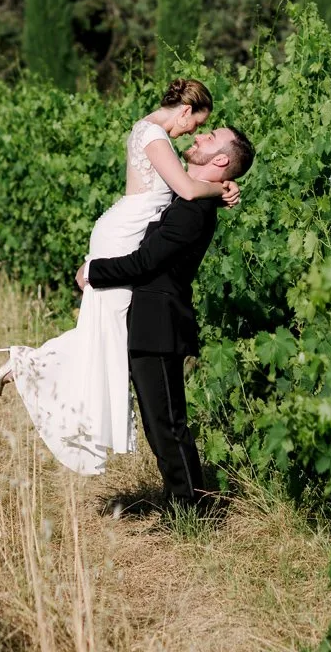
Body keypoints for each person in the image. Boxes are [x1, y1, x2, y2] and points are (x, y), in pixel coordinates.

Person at [0, 79, 240, 476]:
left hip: (124, 230)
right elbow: (189, 192)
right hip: (124, 235)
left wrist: (217, 187)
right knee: (105, 333)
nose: (192, 133)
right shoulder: (155, 135)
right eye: (197, 125)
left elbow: (184, 191)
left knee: (104, 332)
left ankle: (29, 364)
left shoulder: (155, 135)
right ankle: (29, 365)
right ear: (186, 111)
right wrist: (222, 188)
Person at [77, 125, 254, 509]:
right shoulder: (189, 199)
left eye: (210, 138)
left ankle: (194, 509)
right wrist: (224, 191)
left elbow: (145, 263)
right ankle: (188, 503)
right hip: (151, 324)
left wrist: (93, 271)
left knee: (167, 427)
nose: (201, 136)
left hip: (160, 325)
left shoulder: (192, 211)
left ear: (221, 159)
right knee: (162, 427)